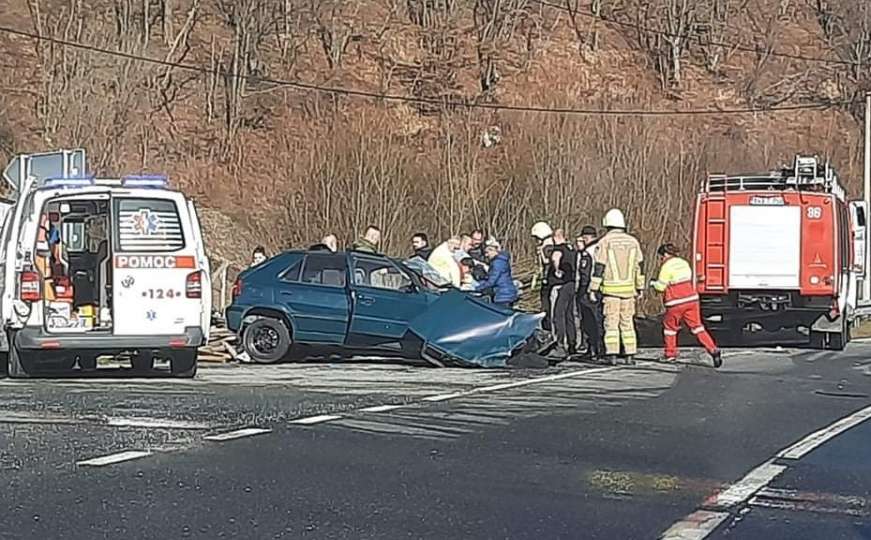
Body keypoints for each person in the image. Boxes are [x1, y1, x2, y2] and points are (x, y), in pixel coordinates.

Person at [650, 243, 722, 368]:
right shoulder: (684, 263)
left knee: (670, 328)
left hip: (675, 301)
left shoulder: (666, 266)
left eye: (661, 257)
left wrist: (653, 283)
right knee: (698, 327)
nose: (661, 259)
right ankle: (713, 349)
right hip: (692, 299)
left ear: (665, 255)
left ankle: (670, 354)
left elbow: (661, 287)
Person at [589, 209, 645, 365]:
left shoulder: (604, 242)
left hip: (611, 292)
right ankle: (630, 355)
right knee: (627, 323)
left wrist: (593, 289)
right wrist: (640, 287)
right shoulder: (633, 242)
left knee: (611, 324)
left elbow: (599, 267)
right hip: (629, 291)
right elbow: (639, 267)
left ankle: (612, 355)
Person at [575, 226, 604, 359]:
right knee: (599, 320)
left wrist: (583, 290)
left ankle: (592, 348)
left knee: (589, 320)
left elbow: (585, 273)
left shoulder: (588, 252)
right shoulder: (601, 247)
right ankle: (600, 348)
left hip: (588, 290)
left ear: (586, 237)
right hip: (601, 288)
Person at [547, 229, 577, 358]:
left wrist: (557, 270)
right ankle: (572, 343)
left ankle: (559, 344)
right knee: (569, 315)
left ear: (556, 237)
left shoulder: (558, 249)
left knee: (558, 315)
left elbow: (555, 258)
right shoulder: (571, 249)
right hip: (572, 284)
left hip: (560, 285)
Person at [474, 239, 518, 307]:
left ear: (493, 251)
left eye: (487, 252)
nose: (486, 255)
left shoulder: (497, 263)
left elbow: (492, 281)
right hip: (506, 292)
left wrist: (477, 288)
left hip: (503, 295)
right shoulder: (501, 261)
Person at [531, 221, 555, 330]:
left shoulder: (547, 247)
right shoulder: (549, 245)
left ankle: (547, 329)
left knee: (546, 308)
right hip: (548, 280)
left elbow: (547, 263)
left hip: (548, 281)